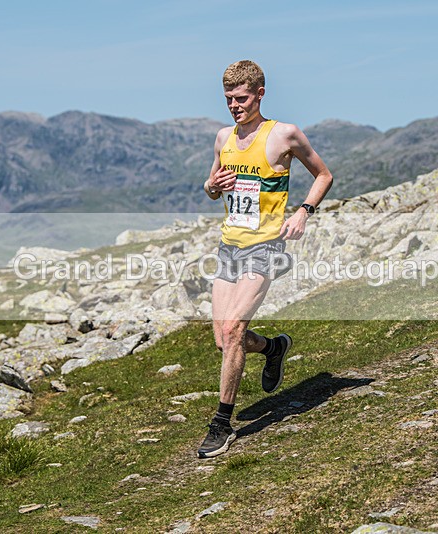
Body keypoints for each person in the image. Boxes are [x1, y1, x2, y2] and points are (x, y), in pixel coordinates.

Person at [198, 60, 333, 458]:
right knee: (224, 339)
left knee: (236, 328)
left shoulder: (284, 135)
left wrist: (303, 212)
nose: (234, 106)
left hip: (266, 246)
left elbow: (323, 175)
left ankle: (222, 424)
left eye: (241, 98)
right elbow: (211, 187)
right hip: (230, 246)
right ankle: (273, 349)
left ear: (259, 93)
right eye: (228, 100)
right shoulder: (223, 137)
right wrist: (211, 185)